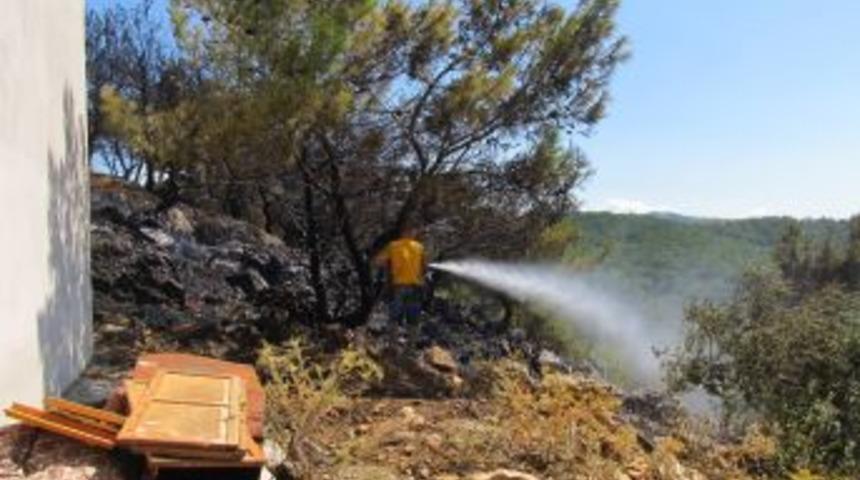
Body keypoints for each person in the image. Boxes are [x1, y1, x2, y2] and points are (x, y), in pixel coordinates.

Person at [374, 226, 427, 326]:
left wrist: (389, 264)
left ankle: (392, 341)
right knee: (414, 321)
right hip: (414, 286)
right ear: (412, 232)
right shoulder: (419, 247)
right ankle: (412, 342)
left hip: (397, 286)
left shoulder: (393, 246)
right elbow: (424, 268)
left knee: (394, 318)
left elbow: (378, 261)